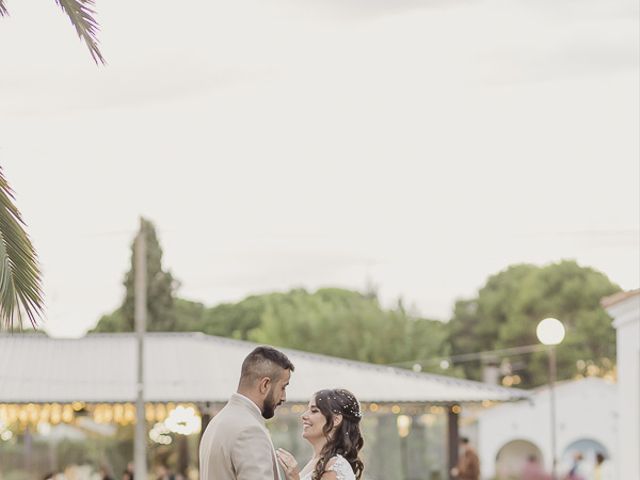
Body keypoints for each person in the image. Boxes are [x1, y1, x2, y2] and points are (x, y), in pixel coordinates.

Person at [199, 345, 295, 480]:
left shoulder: (217, 422)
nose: (284, 397)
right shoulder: (250, 430)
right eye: (283, 387)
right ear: (265, 385)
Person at [275, 388, 365, 480]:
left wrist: (293, 478)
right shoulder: (318, 462)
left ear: (336, 420)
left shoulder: (334, 468)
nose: (304, 416)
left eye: (314, 411)